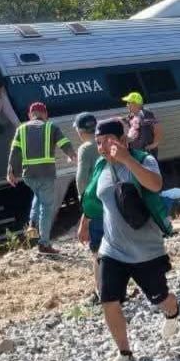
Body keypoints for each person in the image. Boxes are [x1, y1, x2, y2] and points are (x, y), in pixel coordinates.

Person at [77, 119, 180, 361]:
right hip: (112, 249)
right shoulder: (101, 165)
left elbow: (155, 185)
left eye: (107, 142)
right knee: (108, 299)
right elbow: (93, 197)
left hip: (146, 249)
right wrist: (85, 223)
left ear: (122, 140)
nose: (102, 148)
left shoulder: (143, 160)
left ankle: (172, 312)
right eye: (98, 142)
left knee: (160, 299)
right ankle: (124, 352)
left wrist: (126, 160)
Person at [7, 102, 77, 254]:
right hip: (46, 173)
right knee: (46, 207)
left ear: (30, 115)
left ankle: (32, 223)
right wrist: (72, 155)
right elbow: (64, 143)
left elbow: (15, 151)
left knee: (38, 196)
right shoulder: (51, 127)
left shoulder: (21, 129)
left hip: (29, 176)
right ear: (45, 114)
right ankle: (44, 243)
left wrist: (10, 171)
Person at [73, 112, 102, 276]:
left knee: (97, 250)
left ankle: (101, 291)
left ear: (80, 130)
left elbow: (81, 179)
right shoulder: (106, 141)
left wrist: (84, 208)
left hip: (95, 204)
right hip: (112, 201)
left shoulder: (85, 148)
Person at [121, 91, 162, 157]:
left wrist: (153, 145)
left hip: (145, 154)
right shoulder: (131, 116)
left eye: (129, 103)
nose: (127, 105)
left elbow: (157, 127)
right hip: (136, 153)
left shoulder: (145, 114)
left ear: (135, 103)